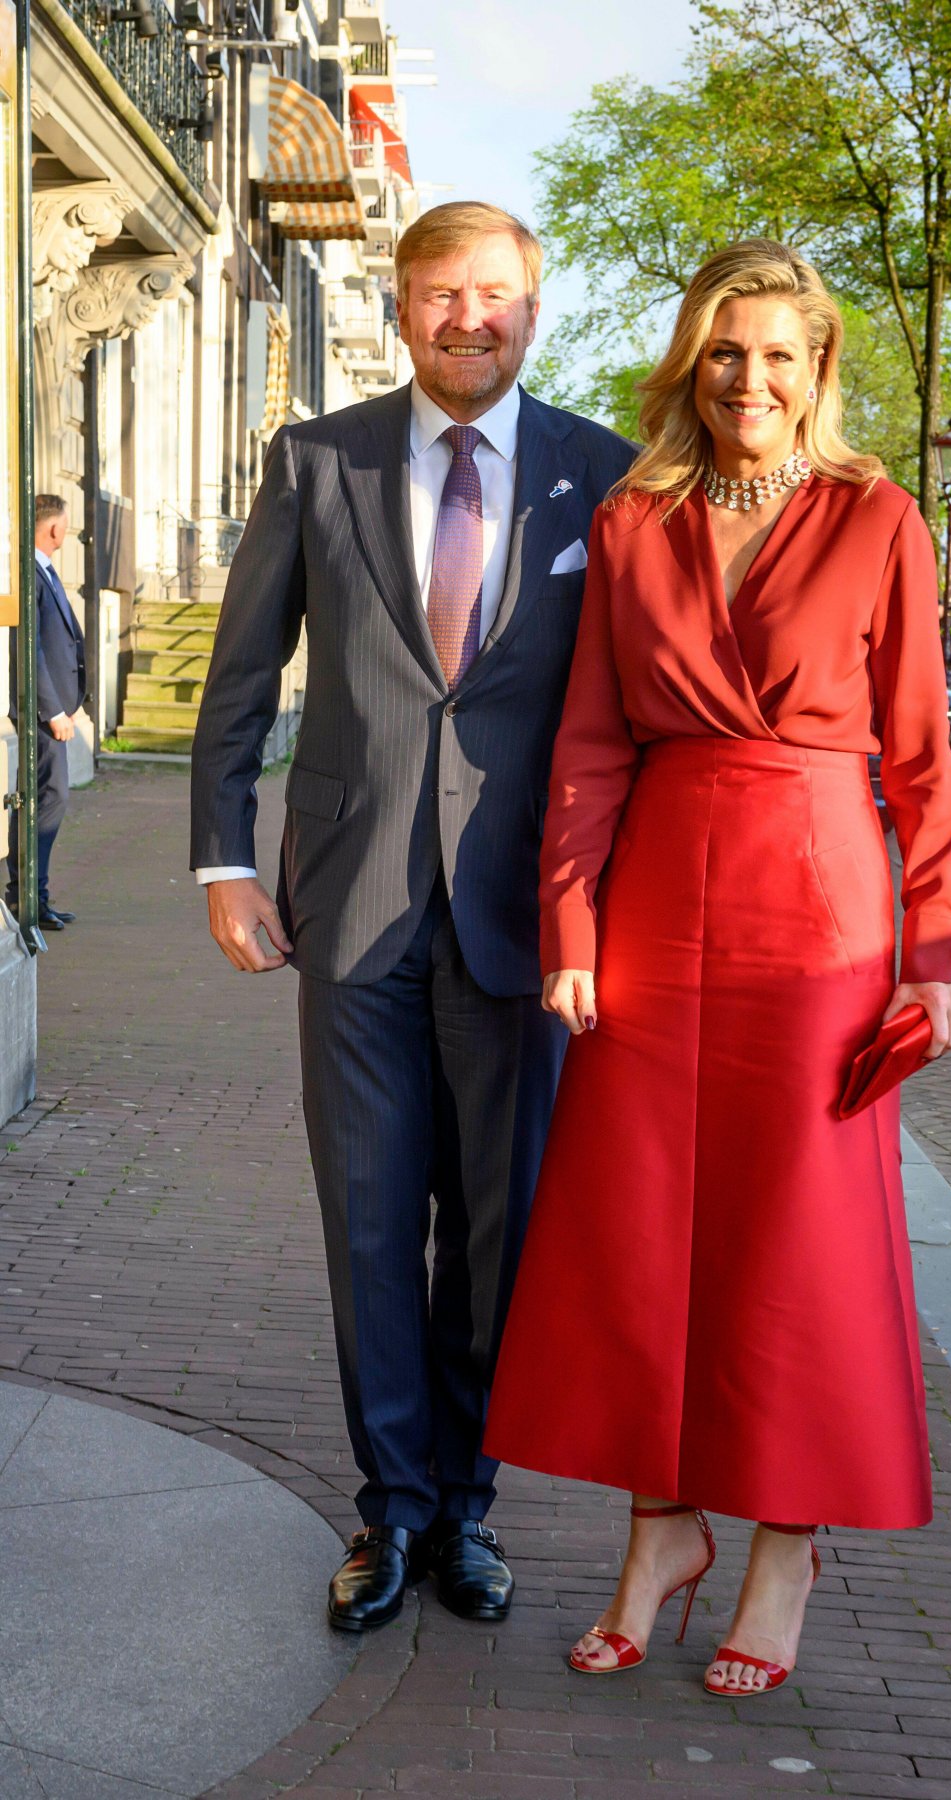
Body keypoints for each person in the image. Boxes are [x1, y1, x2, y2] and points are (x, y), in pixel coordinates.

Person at [484, 240, 951, 1699]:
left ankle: (782, 1551)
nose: (749, 380)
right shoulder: (636, 521)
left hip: (822, 914)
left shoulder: (878, 515)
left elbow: (920, 760)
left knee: (796, 1246)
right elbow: (587, 741)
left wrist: (931, 955)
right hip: (656, 901)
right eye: (723, 352)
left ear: (818, 365)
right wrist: (569, 931)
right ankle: (658, 1535)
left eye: (777, 354)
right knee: (636, 1232)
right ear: (689, 367)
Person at [189, 202, 635, 1634]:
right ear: (401, 307)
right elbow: (241, 676)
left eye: (493, 294)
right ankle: (387, 1514)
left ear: (533, 307)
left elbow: (632, 711)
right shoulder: (318, 458)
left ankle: (468, 1508)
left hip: (523, 917)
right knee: (372, 1223)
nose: (468, 319)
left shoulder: (606, 481)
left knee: (501, 1235)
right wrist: (224, 863)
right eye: (441, 295)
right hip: (353, 908)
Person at [5, 494, 87, 930]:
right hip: (43, 713)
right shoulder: (30, 574)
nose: (67, 532)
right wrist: (53, 710)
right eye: (65, 525)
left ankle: (34, 897)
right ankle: (25, 899)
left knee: (44, 800)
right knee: (45, 800)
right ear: (53, 529)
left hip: (53, 711)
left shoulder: (44, 572)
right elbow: (28, 647)